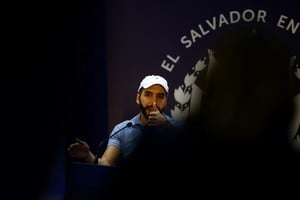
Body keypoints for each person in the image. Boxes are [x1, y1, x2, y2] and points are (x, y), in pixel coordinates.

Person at [67, 74, 183, 167]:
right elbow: (107, 163)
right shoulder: (123, 129)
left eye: (160, 96)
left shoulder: (180, 128)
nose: (153, 102)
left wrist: (166, 126)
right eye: (148, 94)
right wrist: (88, 156)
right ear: (138, 98)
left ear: (166, 101)